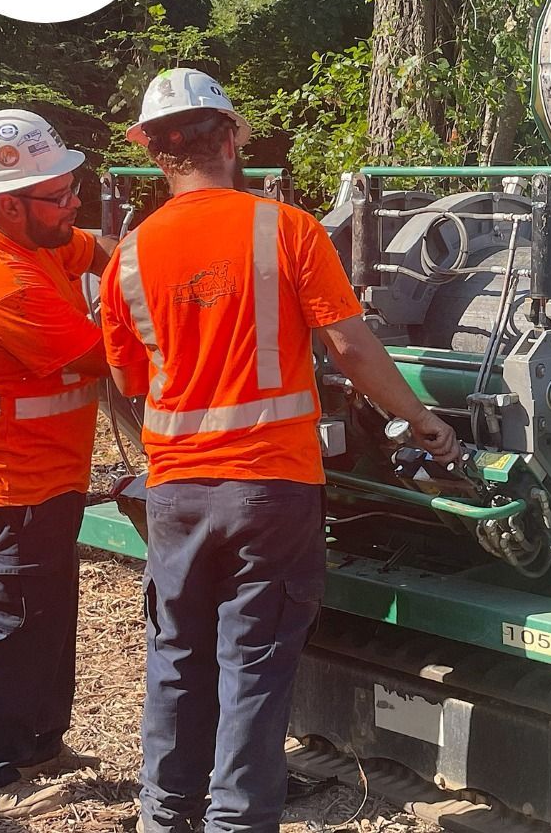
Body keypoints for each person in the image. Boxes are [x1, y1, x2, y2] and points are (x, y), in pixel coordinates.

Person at [99, 68, 460, 833]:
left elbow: (132, 378)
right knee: (253, 663)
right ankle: (236, 821)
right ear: (230, 140)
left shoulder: (126, 259)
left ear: (158, 154)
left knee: (177, 657)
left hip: (176, 492)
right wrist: (423, 423)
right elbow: (351, 350)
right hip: (270, 490)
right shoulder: (284, 229)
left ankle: (164, 816)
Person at [0, 109, 116, 818]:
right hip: (4, 484)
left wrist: (144, 258)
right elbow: (104, 357)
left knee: (44, 612)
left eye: (73, 187)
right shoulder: (1, 281)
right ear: (10, 202)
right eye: (60, 195)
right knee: (7, 620)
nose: (74, 204)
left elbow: (93, 249)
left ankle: (38, 743)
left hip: (43, 475)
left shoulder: (29, 236)